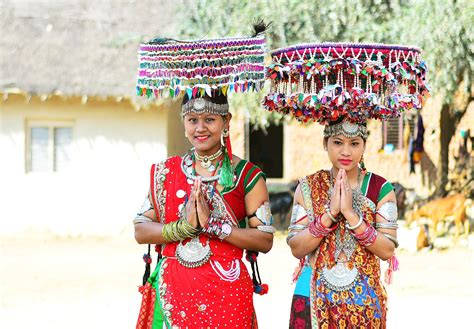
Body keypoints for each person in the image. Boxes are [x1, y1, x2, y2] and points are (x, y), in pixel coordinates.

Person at [263, 42, 429, 328]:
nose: (345, 151)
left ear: (364, 145)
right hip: (312, 293)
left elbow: (387, 250)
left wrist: (352, 216)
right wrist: (328, 214)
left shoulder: (380, 188)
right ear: (325, 143)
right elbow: (297, 248)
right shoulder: (308, 186)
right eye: (337, 142)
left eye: (354, 143)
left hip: (364, 298)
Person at [133, 29, 274, 328]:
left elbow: (264, 239)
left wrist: (215, 227)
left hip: (227, 291)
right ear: (183, 122)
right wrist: (183, 228)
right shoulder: (164, 172)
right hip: (174, 289)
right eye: (192, 120)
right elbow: (141, 230)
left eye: (210, 119)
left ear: (226, 122)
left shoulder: (247, 175)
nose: (200, 128)